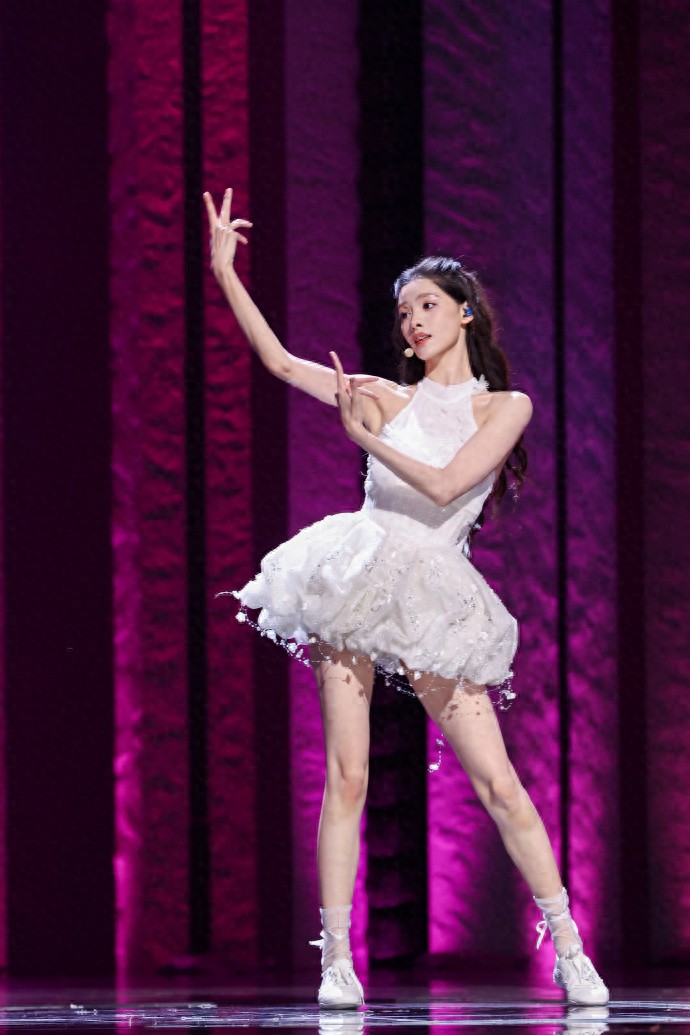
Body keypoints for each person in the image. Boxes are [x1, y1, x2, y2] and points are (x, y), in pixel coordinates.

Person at [203, 188, 609, 1010]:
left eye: (427, 304)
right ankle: (336, 958)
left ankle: (569, 946)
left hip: (433, 589)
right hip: (356, 575)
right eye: (403, 311)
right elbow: (281, 362)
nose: (412, 320)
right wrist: (224, 271)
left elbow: (452, 483)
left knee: (498, 783)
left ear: (464, 312)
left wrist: (367, 442)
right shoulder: (384, 394)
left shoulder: (505, 405)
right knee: (347, 773)